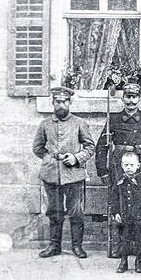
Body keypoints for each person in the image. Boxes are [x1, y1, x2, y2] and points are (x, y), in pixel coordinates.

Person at [95, 83, 141, 258]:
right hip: (119, 170)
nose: (131, 100)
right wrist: (102, 171)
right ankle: (120, 248)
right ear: (123, 98)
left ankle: (140, 248)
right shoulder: (114, 120)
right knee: (119, 207)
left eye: (134, 97)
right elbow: (101, 147)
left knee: (140, 208)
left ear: (139, 99)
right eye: (128, 96)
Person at [32, 87, 95, 258]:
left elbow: (90, 147)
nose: (61, 105)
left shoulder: (79, 123)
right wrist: (49, 159)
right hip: (51, 174)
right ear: (53, 103)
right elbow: (37, 148)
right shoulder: (44, 124)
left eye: (64, 101)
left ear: (69, 103)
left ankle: (77, 246)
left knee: (76, 212)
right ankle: (54, 246)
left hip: (74, 175)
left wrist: (76, 158)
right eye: (58, 101)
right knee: (54, 211)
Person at [111, 152, 141, 273]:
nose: (129, 168)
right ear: (122, 165)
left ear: (138, 165)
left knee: (139, 239)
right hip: (124, 215)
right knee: (124, 239)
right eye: (126, 165)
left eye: (132, 165)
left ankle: (138, 261)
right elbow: (114, 198)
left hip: (138, 215)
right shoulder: (119, 181)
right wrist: (115, 212)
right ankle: (124, 261)